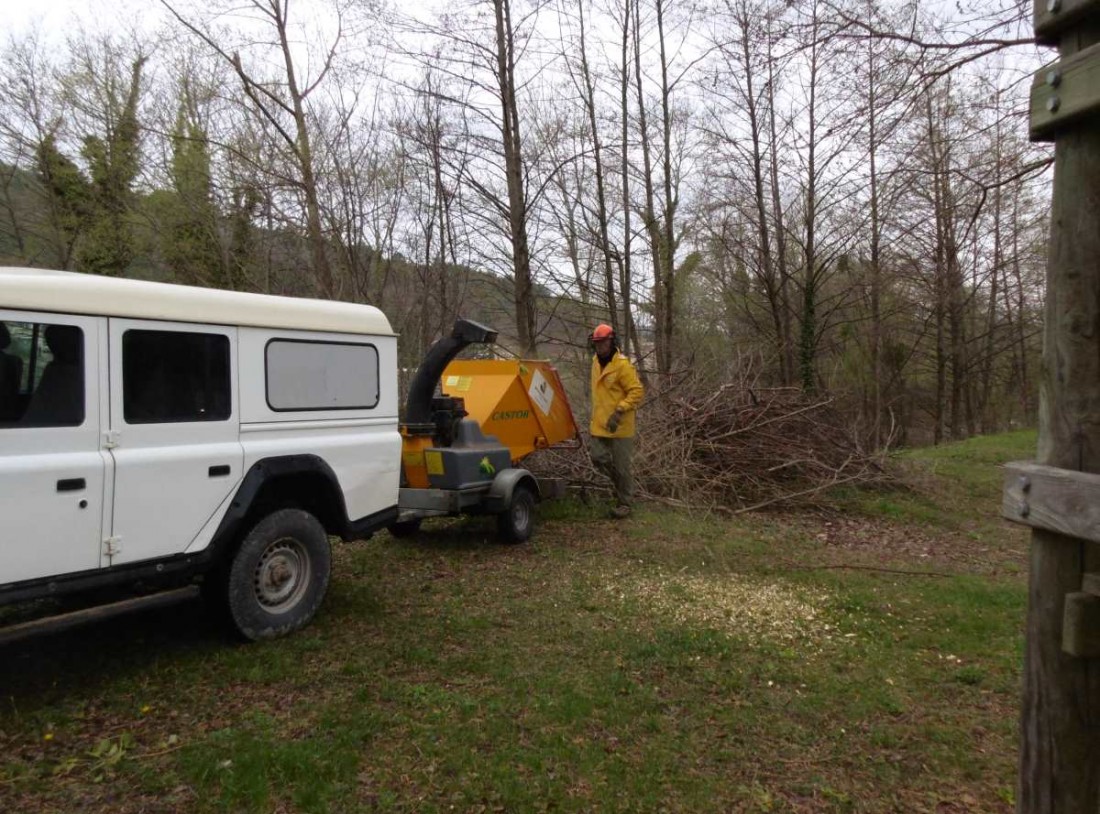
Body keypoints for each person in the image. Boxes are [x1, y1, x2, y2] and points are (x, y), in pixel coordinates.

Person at [589, 323, 644, 518]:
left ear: (611, 342)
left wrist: (620, 411)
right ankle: (621, 487)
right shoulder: (595, 361)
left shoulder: (622, 365)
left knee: (622, 467)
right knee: (597, 458)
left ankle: (625, 502)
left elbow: (637, 391)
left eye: (603, 342)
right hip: (600, 423)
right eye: (597, 343)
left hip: (620, 425)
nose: (600, 346)